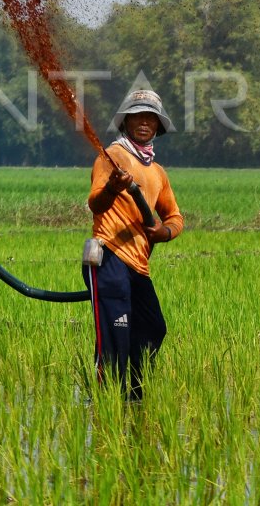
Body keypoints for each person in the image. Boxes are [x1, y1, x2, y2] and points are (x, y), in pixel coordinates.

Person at [84, 89, 184, 401]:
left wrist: (162, 233)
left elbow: (175, 217)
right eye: (138, 115)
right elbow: (96, 204)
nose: (144, 122)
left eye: (150, 117)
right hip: (109, 258)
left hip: (138, 266)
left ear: (158, 125)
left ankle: (135, 396)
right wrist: (113, 189)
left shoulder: (157, 172)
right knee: (117, 338)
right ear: (126, 121)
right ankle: (107, 404)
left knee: (154, 328)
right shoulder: (113, 156)